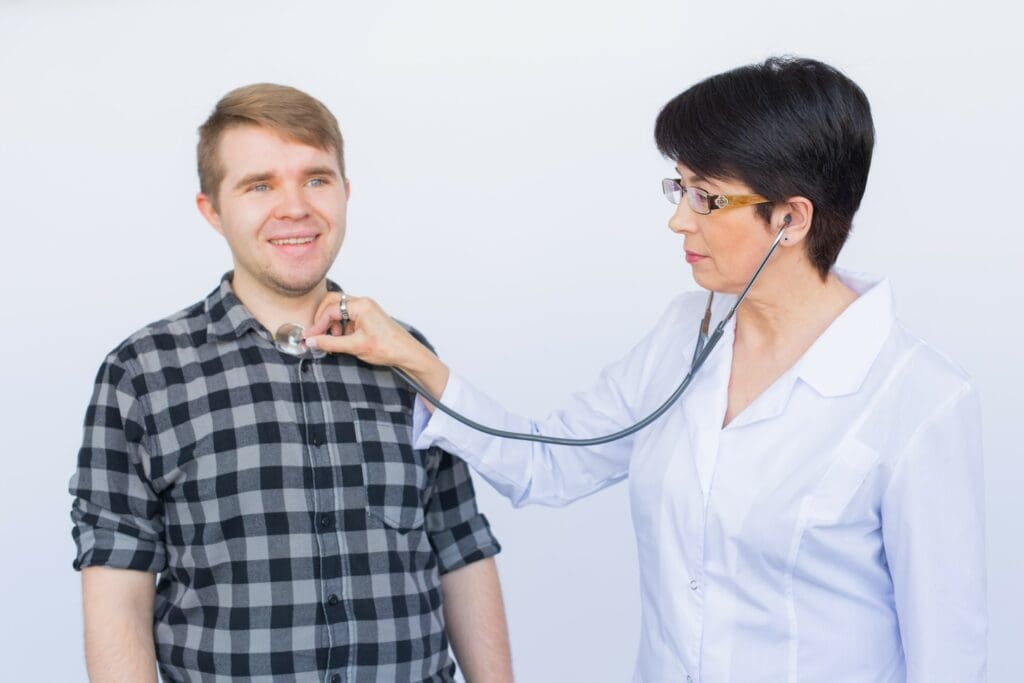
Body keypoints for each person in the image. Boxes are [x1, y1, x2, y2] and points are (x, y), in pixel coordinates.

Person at [304, 58, 987, 681]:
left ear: (791, 218)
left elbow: (949, 660)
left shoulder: (919, 402)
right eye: (679, 187)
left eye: (707, 198)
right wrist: (408, 356)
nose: (679, 221)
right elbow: (551, 464)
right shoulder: (681, 335)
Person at [68, 83, 511, 683]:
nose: (296, 207)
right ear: (212, 210)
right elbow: (118, 584)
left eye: (316, 179)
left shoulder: (407, 355)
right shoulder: (143, 372)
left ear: (346, 193)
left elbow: (459, 549)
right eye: (259, 185)